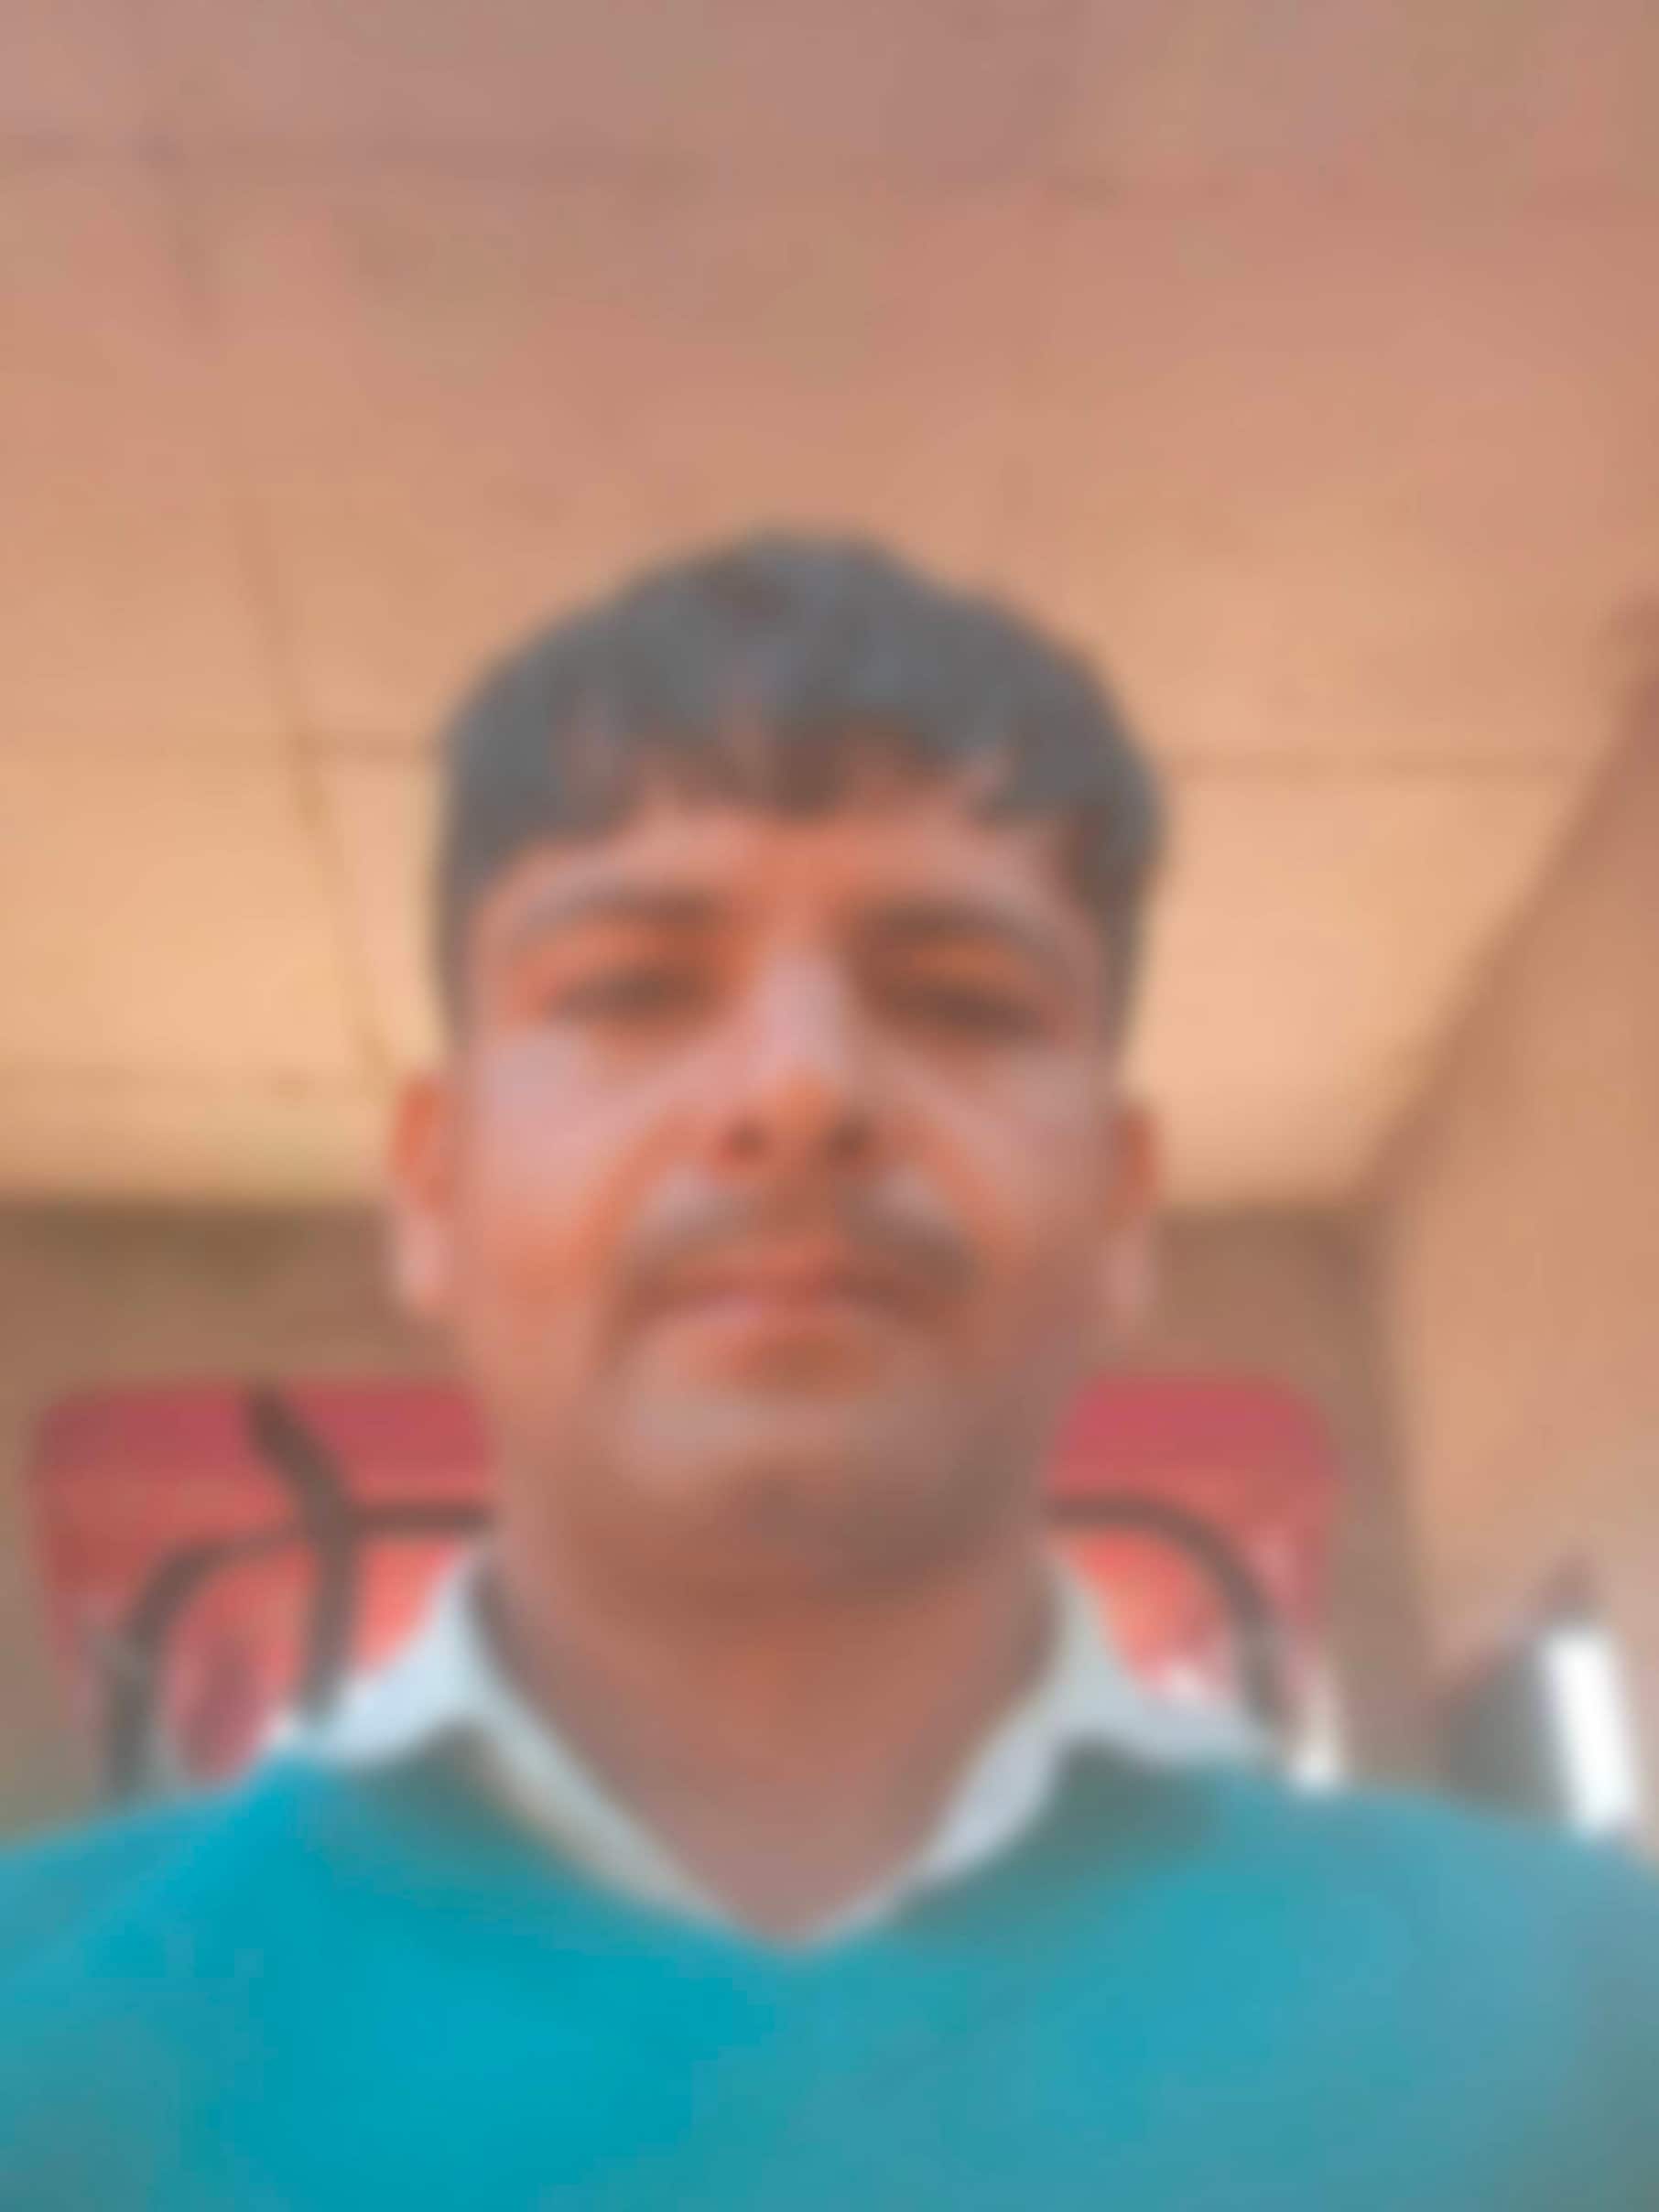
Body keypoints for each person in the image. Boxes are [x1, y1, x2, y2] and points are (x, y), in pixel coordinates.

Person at [2, 536, 1656, 2208]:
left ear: (1119, 1203)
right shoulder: (38, 2050)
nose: (799, 1090)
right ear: (433, 1189)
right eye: (632, 987)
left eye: (962, 1000)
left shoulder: (1596, 2025)